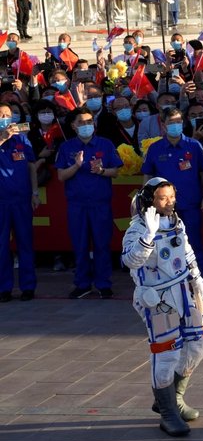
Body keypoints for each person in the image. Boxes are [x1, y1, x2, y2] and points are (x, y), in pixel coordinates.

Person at [121, 178, 203, 437]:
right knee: (167, 353)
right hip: (157, 297)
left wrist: (198, 279)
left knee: (197, 345)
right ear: (150, 201)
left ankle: (173, 398)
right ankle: (168, 412)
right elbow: (130, 260)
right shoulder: (138, 228)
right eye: (163, 198)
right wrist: (148, 235)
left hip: (184, 291)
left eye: (171, 196)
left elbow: (187, 252)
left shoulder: (175, 222)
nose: (169, 201)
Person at [56, 109, 122, 299]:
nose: (87, 125)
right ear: (74, 126)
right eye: (82, 122)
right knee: (80, 245)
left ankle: (103, 283)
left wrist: (101, 171)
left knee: (102, 245)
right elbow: (61, 176)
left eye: (90, 121)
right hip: (77, 205)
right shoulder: (67, 147)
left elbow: (115, 171)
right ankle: (82, 284)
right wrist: (76, 166)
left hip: (100, 204)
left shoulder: (105, 144)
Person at [142, 108, 203, 275]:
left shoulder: (194, 146)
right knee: (164, 243)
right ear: (164, 126)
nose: (175, 125)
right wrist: (146, 200)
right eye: (171, 122)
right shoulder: (155, 148)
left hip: (190, 202)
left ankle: (197, 279)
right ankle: (169, 278)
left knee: (193, 242)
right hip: (163, 207)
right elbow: (148, 174)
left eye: (178, 122)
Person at [0, 103, 39, 301]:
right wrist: (2, 138)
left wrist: (34, 192)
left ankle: (28, 286)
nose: (5, 118)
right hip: (1, 201)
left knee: (25, 243)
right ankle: (3, 288)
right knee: (1, 246)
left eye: (8, 115)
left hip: (22, 199)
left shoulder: (22, 139)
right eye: (1, 115)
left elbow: (31, 166)